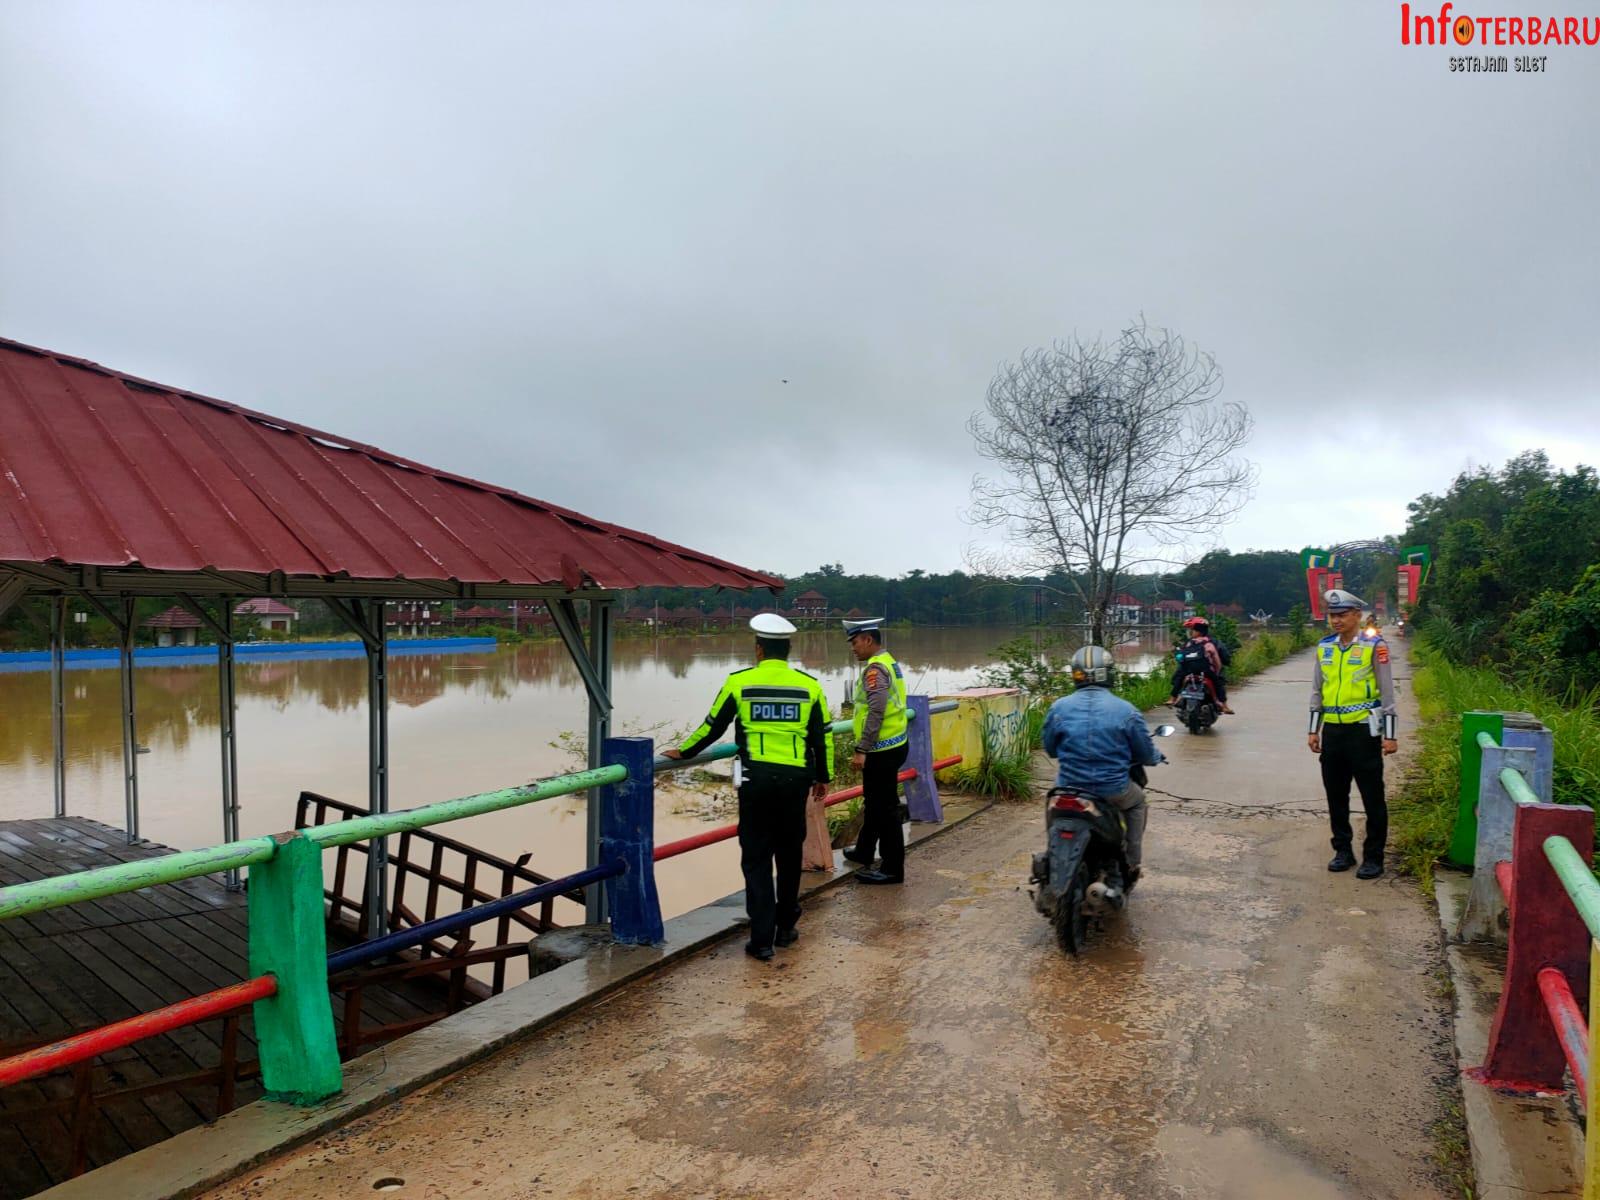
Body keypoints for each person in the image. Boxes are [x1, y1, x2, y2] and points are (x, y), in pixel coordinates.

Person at [662, 613, 833, 960]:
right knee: (788, 856)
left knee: (756, 858)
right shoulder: (810, 686)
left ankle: (761, 940)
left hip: (755, 781)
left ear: (758, 649)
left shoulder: (739, 682)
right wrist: (823, 777)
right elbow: (822, 738)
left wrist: (684, 751)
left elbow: (712, 727)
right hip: (795, 781)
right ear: (787, 650)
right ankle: (786, 928)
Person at [1041, 644, 1162, 891]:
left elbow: (1051, 748)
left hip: (1069, 789)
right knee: (1138, 803)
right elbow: (1145, 754)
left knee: (1053, 806)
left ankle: (1053, 855)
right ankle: (1131, 864)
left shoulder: (1058, 707)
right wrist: (1156, 756)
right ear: (1108, 672)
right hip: (1113, 789)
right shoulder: (1126, 710)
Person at [1308, 588, 1399, 880]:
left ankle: (1373, 857)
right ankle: (1343, 851)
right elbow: (1316, 691)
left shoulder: (1375, 646)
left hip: (1363, 732)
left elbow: (1387, 692)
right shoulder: (1325, 648)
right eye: (1332, 616)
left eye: (1342, 615)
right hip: (1333, 732)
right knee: (1336, 796)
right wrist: (1314, 730)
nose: (1336, 621)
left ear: (1357, 615)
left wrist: (1390, 734)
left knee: (1372, 797)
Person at [840, 618, 909, 885]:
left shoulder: (875, 670)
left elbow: (877, 711)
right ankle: (865, 850)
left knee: (886, 810)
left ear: (868, 640)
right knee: (876, 802)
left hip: (881, 750)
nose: (853, 648)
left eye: (855, 642)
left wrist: (861, 749)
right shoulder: (889, 661)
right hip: (895, 743)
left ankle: (892, 869)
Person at [1168, 616, 1234, 714]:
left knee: (1178, 677)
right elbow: (1219, 661)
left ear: (1198, 631)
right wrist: (1218, 670)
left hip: (1188, 671)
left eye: (1192, 630)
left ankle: (1173, 698)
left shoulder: (1189, 643)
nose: (1190, 632)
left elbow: (1181, 659)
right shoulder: (1211, 643)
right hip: (1207, 671)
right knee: (1219, 682)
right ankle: (1224, 705)